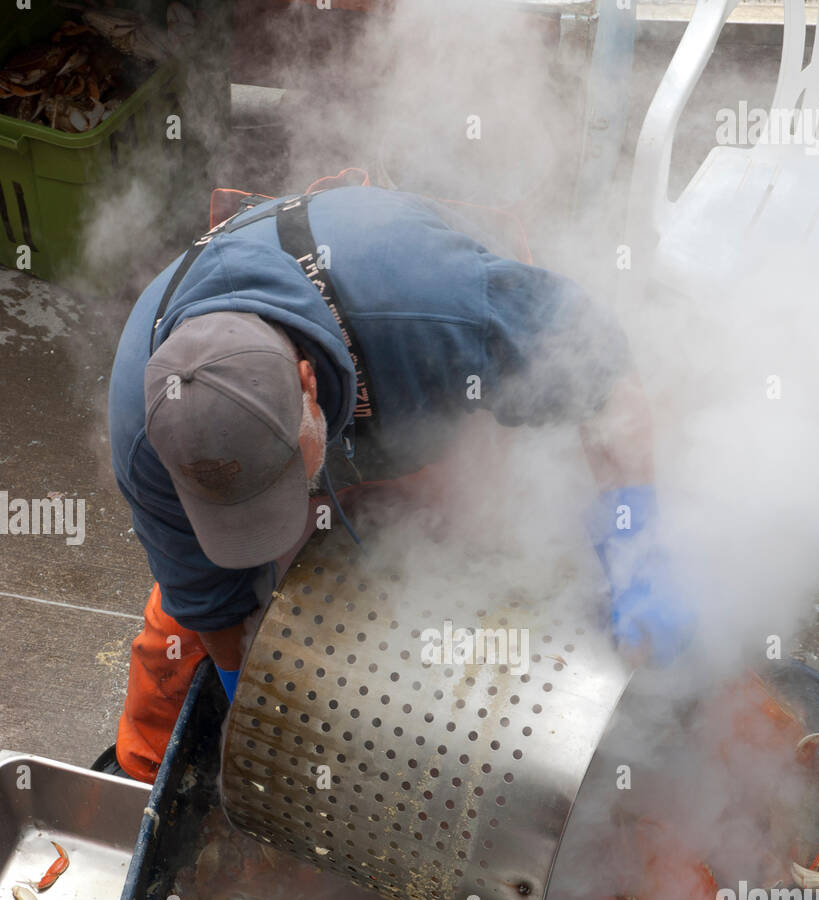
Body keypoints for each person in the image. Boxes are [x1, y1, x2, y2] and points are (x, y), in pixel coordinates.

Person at [104, 182, 667, 783]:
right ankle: (136, 792)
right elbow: (208, 597)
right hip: (323, 414)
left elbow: (602, 374)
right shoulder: (145, 430)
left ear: (307, 384)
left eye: (286, 480)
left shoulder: (434, 306)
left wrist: (636, 544)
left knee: (484, 542)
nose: (286, 517)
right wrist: (254, 707)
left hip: (411, 391)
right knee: (175, 650)